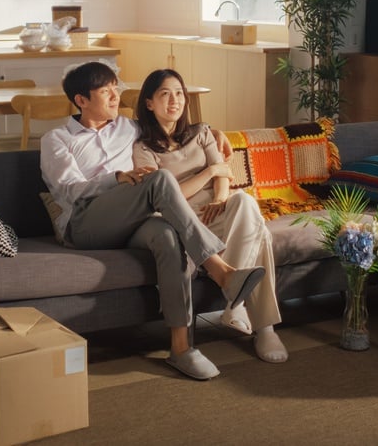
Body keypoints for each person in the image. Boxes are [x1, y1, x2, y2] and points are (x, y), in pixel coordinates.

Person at [40, 61, 264, 381]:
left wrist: (212, 132)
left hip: (132, 221)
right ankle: (221, 271)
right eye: (106, 92)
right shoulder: (57, 139)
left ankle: (181, 348)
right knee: (160, 180)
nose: (116, 97)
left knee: (168, 236)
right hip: (86, 223)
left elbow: (168, 124)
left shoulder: (128, 128)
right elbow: (69, 189)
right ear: (81, 100)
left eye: (116, 89)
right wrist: (117, 177)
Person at [132, 69, 289, 364]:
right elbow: (167, 194)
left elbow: (224, 172)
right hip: (179, 219)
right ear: (149, 103)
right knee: (261, 234)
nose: (174, 101)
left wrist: (220, 196)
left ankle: (236, 305)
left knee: (243, 201)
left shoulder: (202, 132)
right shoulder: (142, 148)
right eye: (165, 94)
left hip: (215, 209)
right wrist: (209, 172)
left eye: (179, 93)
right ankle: (264, 327)